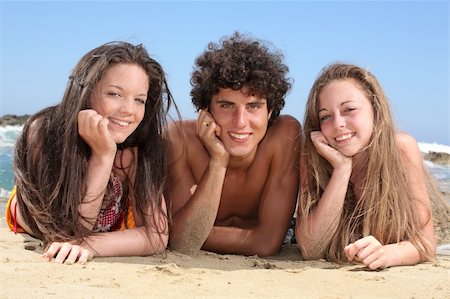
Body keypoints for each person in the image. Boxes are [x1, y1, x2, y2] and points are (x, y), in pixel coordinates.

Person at [5, 41, 174, 264]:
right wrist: (103, 156)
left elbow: (156, 236)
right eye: (114, 94)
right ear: (86, 91)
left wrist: (90, 245)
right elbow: (66, 232)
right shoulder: (44, 132)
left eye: (139, 100)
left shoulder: (134, 150)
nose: (129, 110)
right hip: (32, 218)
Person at [165, 32, 301, 257]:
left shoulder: (284, 136)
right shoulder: (179, 139)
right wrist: (218, 161)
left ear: (270, 112)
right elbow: (183, 240)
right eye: (227, 106)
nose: (240, 122)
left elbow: (267, 243)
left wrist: (190, 232)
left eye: (253, 106)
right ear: (205, 110)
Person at [296, 63, 436, 270]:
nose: (337, 124)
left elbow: (425, 242)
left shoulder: (400, 150)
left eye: (349, 109)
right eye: (326, 116)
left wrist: (388, 254)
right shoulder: (314, 156)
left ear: (375, 109)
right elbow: (311, 249)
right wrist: (342, 170)